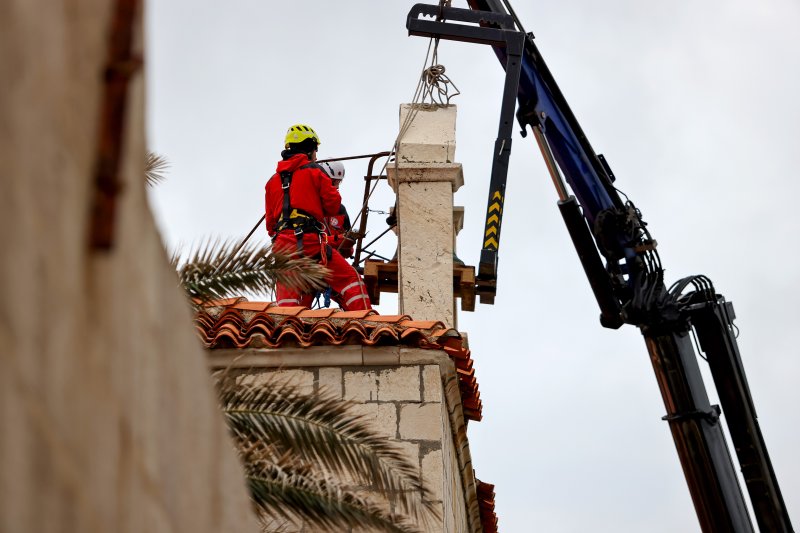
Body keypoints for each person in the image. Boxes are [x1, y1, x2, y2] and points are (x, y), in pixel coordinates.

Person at [264, 124, 371, 310]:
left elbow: (271, 226)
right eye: (315, 150)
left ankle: (287, 333)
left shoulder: (272, 181)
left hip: (283, 247)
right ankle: (366, 324)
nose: (316, 155)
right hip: (310, 242)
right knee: (350, 280)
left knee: (288, 303)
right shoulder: (314, 171)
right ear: (310, 148)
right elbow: (333, 205)